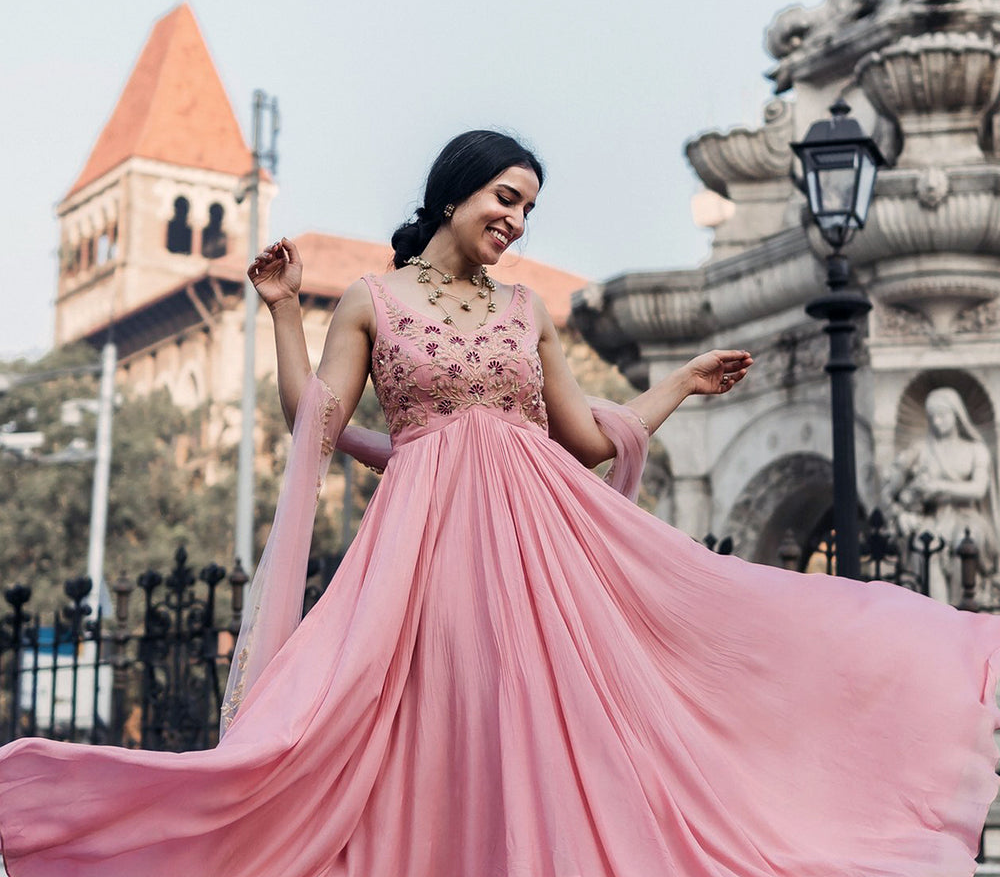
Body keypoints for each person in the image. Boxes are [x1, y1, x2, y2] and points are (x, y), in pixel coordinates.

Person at [2, 130, 1000, 877]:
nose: (516, 219)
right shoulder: (372, 299)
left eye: (527, 208)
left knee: (590, 698)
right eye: (505, 196)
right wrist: (276, 312)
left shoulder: (529, 311)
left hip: (540, 548)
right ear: (452, 193)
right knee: (439, 719)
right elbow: (314, 414)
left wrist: (681, 387)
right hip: (428, 548)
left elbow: (583, 437)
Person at [883, 386, 1000, 604]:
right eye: (933, 417)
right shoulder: (920, 449)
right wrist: (902, 511)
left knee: (965, 545)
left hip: (967, 517)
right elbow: (892, 489)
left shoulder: (975, 449)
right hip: (932, 517)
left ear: (956, 415)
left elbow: (978, 489)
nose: (937, 422)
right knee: (925, 548)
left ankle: (962, 613)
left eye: (943, 415)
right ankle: (940, 613)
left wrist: (939, 487)